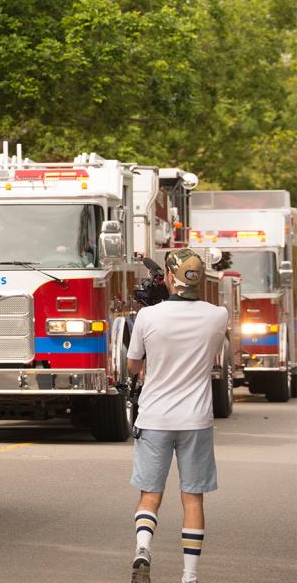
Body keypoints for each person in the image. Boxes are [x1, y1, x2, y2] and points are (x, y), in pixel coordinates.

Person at [125, 249, 228, 583]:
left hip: (154, 417)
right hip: (196, 420)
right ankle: (189, 576)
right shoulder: (218, 316)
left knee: (150, 493)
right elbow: (215, 358)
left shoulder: (147, 317)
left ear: (169, 276)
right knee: (192, 496)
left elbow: (133, 365)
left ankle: (143, 548)